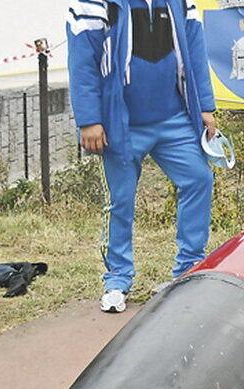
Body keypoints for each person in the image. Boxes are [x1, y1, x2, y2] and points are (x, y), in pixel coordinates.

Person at [66, 0, 217, 313]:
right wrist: (89, 119)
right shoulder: (91, 4)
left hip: (174, 117)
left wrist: (204, 105)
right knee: (120, 201)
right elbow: (82, 62)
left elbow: (195, 50)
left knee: (199, 179)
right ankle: (117, 279)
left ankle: (188, 269)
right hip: (120, 122)